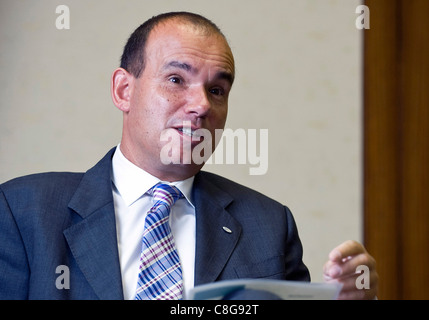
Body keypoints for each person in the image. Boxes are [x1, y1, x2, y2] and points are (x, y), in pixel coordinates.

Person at [0, 11, 377, 300]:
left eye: (216, 90)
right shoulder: (24, 211)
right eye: (177, 80)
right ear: (123, 91)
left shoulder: (269, 226)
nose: (201, 105)